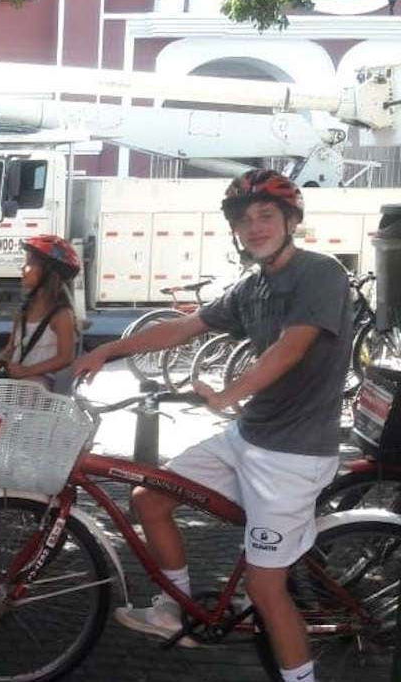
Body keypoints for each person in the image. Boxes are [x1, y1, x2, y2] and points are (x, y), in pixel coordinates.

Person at [73, 169, 351, 682]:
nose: (254, 227)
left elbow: (292, 347)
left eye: (266, 216)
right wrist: (108, 350)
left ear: (291, 220)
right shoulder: (255, 285)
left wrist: (228, 393)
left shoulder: (321, 274)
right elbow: (185, 326)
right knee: (150, 498)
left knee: (267, 590)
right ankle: (172, 609)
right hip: (248, 436)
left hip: (293, 454)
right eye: (244, 220)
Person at [0, 235, 81, 391]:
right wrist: (1, 358)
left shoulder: (61, 315)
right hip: (18, 378)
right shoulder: (24, 311)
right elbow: (11, 347)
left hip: (42, 382)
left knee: (29, 389)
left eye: (30, 264)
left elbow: (65, 357)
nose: (23, 269)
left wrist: (27, 371)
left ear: (48, 273)